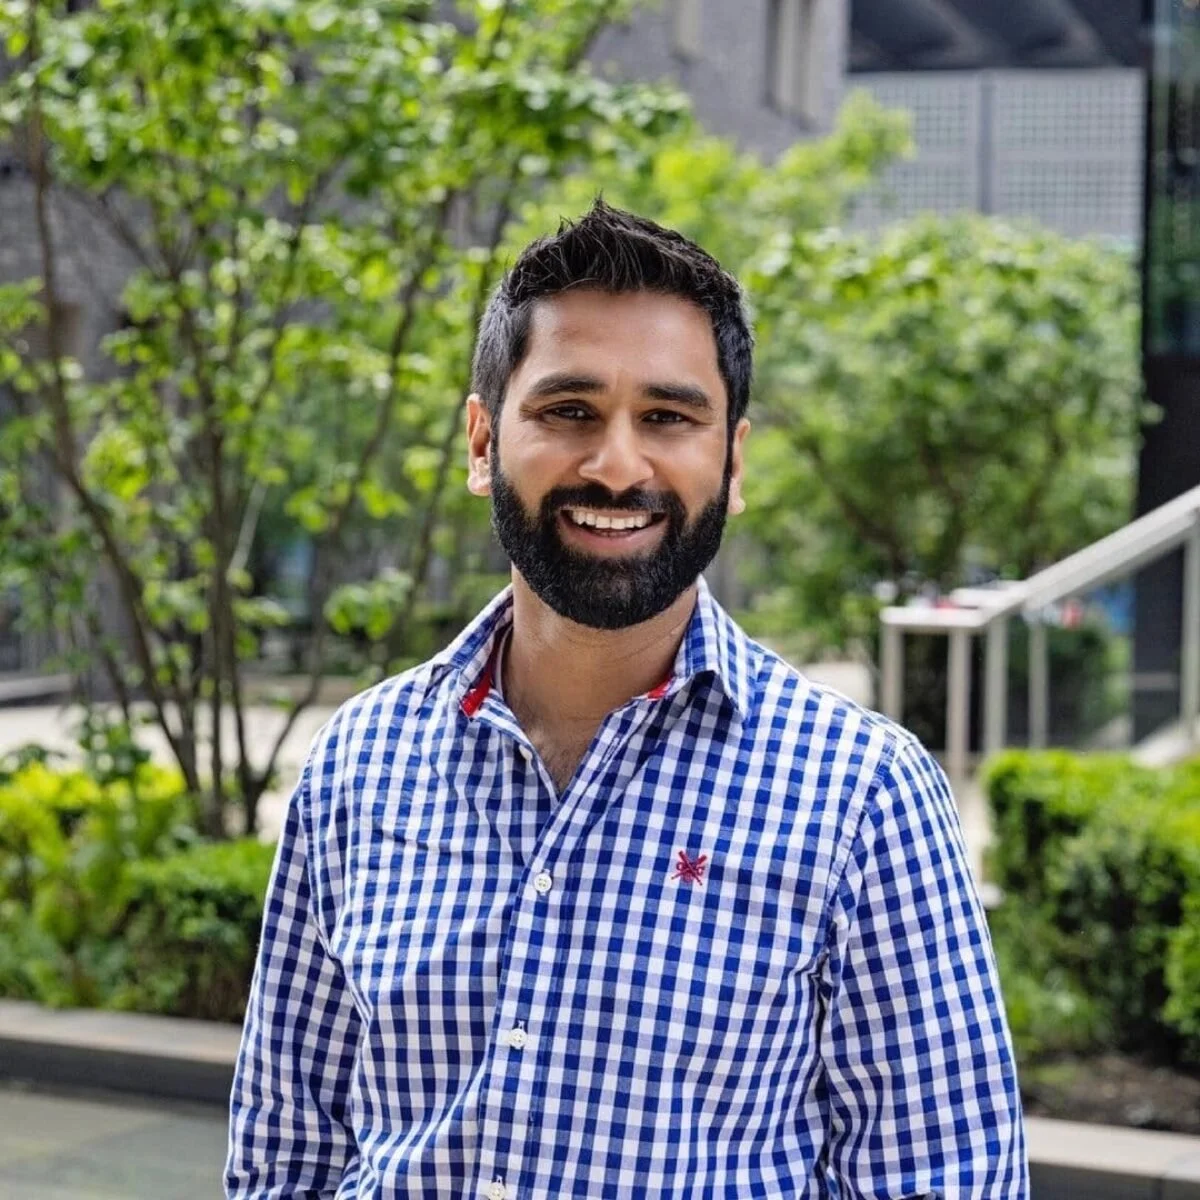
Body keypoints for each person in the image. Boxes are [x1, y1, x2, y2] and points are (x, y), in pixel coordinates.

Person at [226, 201, 1028, 1199]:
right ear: (483, 442)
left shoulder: (862, 795)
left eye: (667, 417)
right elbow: (283, 1153)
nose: (616, 464)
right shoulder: (359, 761)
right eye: (569, 411)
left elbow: (943, 1178)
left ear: (732, 461)